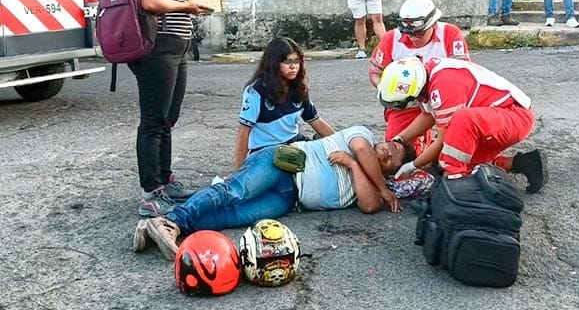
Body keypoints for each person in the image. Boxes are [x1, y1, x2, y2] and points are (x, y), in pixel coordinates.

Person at [140, 126, 414, 260]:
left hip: (289, 200)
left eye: (394, 157)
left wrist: (352, 165)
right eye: (392, 144)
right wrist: (382, 188)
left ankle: (162, 227)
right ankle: (171, 220)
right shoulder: (361, 134)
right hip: (282, 164)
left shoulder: (366, 183)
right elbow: (364, 150)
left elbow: (368, 206)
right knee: (232, 192)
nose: (389, 150)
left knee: (232, 217)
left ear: (392, 172)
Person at [131, 0, 213, 218]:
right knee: (154, 119)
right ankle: (151, 193)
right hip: (158, 49)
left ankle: (165, 182)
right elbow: (149, 0)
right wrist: (187, 6)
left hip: (174, 48)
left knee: (168, 117)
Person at [377, 57, 547, 194]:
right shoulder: (430, 76)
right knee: (448, 158)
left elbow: (443, 140)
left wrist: (413, 165)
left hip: (514, 117)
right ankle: (524, 163)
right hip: (499, 117)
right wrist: (399, 139)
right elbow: (428, 115)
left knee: (455, 136)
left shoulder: (444, 84)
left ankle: (456, 186)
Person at [369, 0, 470, 156]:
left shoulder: (450, 34)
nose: (413, 38)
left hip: (446, 100)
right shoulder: (391, 39)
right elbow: (375, 72)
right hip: (407, 103)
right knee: (395, 150)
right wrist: (385, 88)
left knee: (454, 146)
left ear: (433, 24)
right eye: (408, 34)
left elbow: (464, 73)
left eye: (419, 33)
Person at [235, 37, 336, 170]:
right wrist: (239, 171)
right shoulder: (256, 91)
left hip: (294, 143)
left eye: (296, 61)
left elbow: (316, 121)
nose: (293, 66)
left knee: (330, 160)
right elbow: (244, 132)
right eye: (287, 62)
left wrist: (340, 142)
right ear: (274, 63)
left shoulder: (298, 87)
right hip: (267, 150)